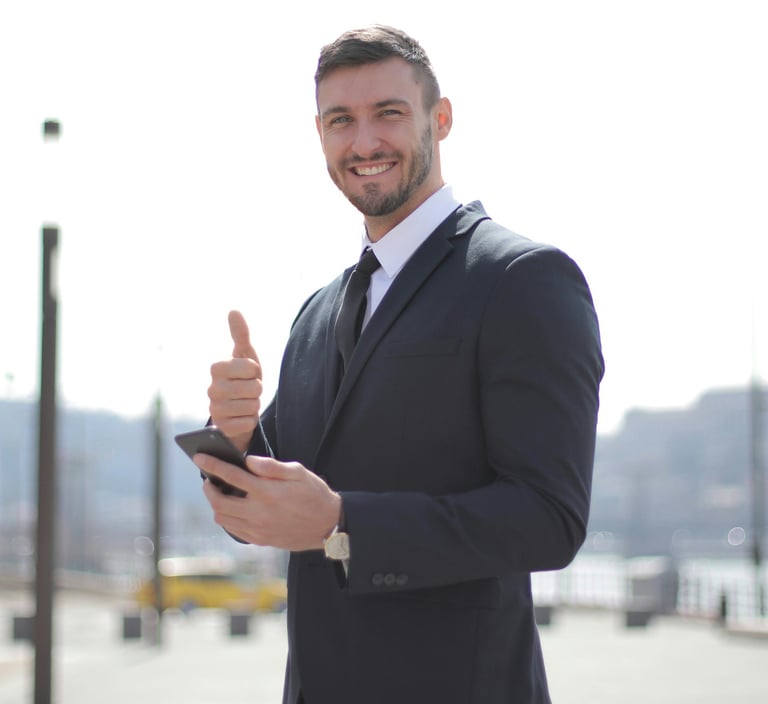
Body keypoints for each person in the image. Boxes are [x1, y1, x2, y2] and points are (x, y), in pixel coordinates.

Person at [197, 25, 604, 704]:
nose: (364, 143)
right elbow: (268, 510)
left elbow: (550, 518)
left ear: (439, 120)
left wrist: (342, 525)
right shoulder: (317, 312)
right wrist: (232, 438)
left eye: (388, 113)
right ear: (320, 135)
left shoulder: (523, 279)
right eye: (340, 121)